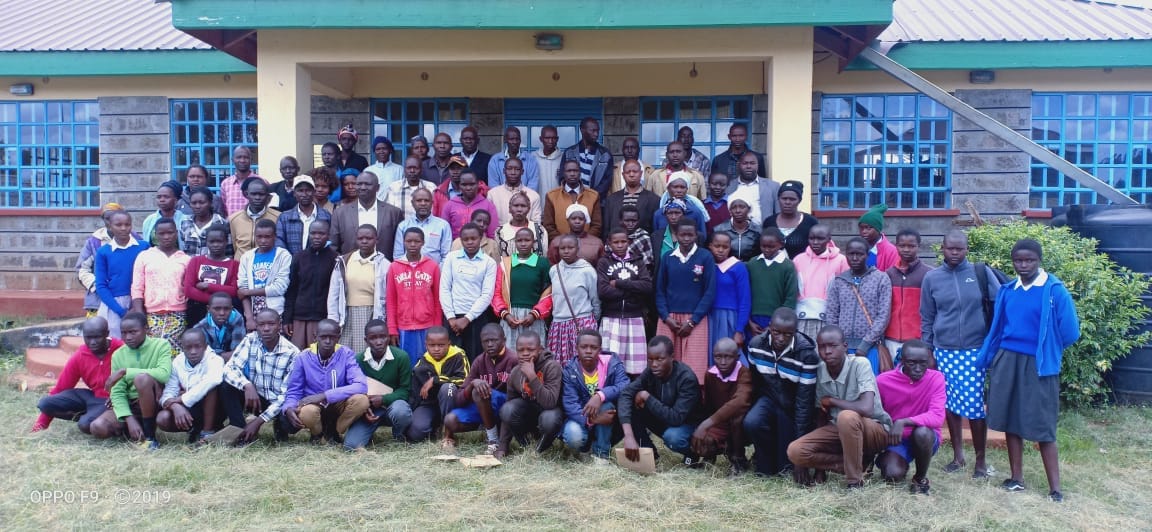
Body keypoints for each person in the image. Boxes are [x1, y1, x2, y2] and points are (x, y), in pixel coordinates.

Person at [976, 239, 1080, 502]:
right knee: (1010, 419)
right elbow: (999, 327)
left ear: (1039, 260)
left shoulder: (1054, 291)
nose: (1023, 265)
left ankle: (1055, 489)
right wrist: (991, 357)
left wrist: (1048, 349)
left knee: (1043, 424)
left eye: (1029, 260)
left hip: (1038, 364)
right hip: (1007, 360)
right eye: (1018, 260)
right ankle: (1016, 478)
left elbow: (1070, 332)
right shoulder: (1008, 290)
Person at [920, 230, 1000, 479]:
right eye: (950, 248)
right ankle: (958, 457)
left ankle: (981, 461)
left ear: (967, 249)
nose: (954, 253)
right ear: (942, 248)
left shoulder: (980, 273)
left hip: (975, 350)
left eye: (960, 249)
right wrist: (929, 350)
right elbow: (927, 317)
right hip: (944, 350)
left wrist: (994, 343)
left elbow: (1000, 305)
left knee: (975, 406)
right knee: (950, 404)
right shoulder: (932, 278)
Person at [787, 325, 893, 488]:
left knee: (846, 416)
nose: (827, 351)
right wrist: (819, 470)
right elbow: (822, 415)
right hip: (839, 429)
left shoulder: (860, 364)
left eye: (833, 346)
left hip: (874, 430)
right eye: (822, 347)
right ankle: (860, 464)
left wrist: (832, 401)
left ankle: (854, 482)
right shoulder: (820, 369)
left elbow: (867, 408)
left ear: (845, 346)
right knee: (795, 451)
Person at [744, 308, 819, 478]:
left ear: (795, 332)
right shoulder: (756, 345)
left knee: (784, 470)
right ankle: (763, 460)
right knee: (752, 422)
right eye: (776, 332)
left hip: (793, 406)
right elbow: (755, 383)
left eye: (787, 334)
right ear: (769, 327)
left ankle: (785, 461)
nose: (781, 338)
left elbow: (804, 402)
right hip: (768, 398)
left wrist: (799, 453)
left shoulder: (807, 356)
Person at [89, 312, 172, 449]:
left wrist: (125, 371)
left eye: (133, 332)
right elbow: (117, 391)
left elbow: (164, 374)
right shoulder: (118, 355)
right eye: (124, 333)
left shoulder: (161, 345)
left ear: (146, 329)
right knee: (97, 427)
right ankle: (133, 429)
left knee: (142, 379)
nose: (128, 337)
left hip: (153, 402)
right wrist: (129, 418)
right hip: (131, 405)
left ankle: (150, 436)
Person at [620, 336, 705, 466]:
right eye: (650, 359)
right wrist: (628, 435)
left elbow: (676, 418)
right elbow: (625, 394)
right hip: (665, 417)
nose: (654, 364)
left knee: (673, 437)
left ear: (672, 357)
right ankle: (649, 454)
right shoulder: (651, 372)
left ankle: (693, 452)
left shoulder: (686, 378)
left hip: (688, 424)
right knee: (631, 405)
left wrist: (646, 397)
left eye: (660, 359)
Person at [875, 340, 946, 494]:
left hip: (925, 437)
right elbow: (875, 413)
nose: (918, 368)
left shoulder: (936, 378)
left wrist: (904, 422)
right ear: (902, 360)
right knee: (892, 475)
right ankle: (891, 460)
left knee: (922, 432)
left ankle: (920, 478)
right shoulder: (883, 381)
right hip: (897, 438)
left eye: (923, 363)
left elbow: (937, 417)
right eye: (912, 363)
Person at [281, 320, 369, 444]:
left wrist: (325, 395)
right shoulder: (303, 357)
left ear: (338, 337)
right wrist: (288, 407)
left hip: (339, 403)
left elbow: (361, 385)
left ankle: (335, 431)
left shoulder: (346, 354)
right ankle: (317, 434)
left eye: (332, 337)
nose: (327, 341)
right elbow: (294, 390)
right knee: (307, 413)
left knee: (361, 400)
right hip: (314, 404)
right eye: (323, 337)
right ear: (315, 336)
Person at [221, 309, 301, 445]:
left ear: (279, 325)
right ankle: (239, 428)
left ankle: (278, 427)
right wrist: (247, 385)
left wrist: (258, 422)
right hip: (255, 398)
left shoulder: (292, 353)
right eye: (261, 325)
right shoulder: (250, 340)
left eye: (271, 324)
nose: (266, 329)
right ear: (256, 326)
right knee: (226, 386)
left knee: (289, 424)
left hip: (278, 402)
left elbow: (287, 395)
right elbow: (229, 368)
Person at [32, 317, 122, 436]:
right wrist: (41, 424)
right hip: (92, 396)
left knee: (85, 424)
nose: (92, 342)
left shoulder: (121, 349)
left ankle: (96, 419)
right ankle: (90, 415)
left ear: (107, 334)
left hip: (109, 401)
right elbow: (61, 388)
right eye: (88, 337)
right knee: (45, 404)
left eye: (97, 337)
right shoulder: (80, 356)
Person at [655, 219, 716, 380]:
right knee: (665, 363)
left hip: (696, 319)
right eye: (683, 235)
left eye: (690, 235)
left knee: (694, 367)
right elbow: (660, 290)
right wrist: (666, 317)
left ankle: (693, 395)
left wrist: (692, 321)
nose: (686, 238)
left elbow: (709, 292)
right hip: (669, 319)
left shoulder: (705, 257)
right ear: (676, 235)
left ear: (696, 236)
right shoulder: (668, 257)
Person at [443, 324, 517, 454]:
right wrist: (472, 384)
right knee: (450, 420)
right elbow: (459, 399)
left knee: (479, 391)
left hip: (506, 407)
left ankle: (493, 440)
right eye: (485, 341)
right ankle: (486, 428)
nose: (490, 344)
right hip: (484, 407)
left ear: (504, 340)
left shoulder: (513, 359)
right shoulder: (479, 361)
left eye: (494, 340)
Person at [825, 237, 892, 375]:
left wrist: (865, 344)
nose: (855, 258)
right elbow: (831, 314)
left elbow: (883, 315)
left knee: (869, 384)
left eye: (860, 254)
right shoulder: (839, 281)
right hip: (842, 348)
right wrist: (838, 344)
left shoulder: (881, 279)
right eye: (851, 254)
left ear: (867, 255)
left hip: (870, 347)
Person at [561, 330, 629, 462]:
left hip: (608, 420)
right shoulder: (570, 370)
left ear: (600, 350)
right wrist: (591, 420)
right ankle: (584, 449)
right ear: (576, 348)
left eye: (593, 347)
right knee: (573, 434)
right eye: (584, 347)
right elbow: (570, 404)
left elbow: (624, 385)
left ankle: (601, 455)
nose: (588, 351)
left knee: (606, 406)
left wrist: (601, 395)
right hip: (581, 418)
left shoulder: (612, 363)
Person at [344, 320, 413, 449]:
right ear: (366, 340)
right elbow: (353, 390)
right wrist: (364, 409)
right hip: (370, 410)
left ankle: (399, 434)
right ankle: (368, 432)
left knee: (401, 411)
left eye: (383, 337)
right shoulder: (358, 360)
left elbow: (405, 390)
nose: (379, 342)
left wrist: (384, 399)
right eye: (373, 338)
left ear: (388, 337)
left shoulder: (401, 357)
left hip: (393, 406)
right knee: (351, 446)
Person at [494, 330, 564, 458]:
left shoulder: (552, 367)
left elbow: (550, 403)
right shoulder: (515, 372)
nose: (525, 353)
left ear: (540, 349)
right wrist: (503, 446)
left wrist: (531, 375)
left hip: (550, 413)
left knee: (549, 418)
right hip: (529, 414)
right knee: (507, 410)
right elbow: (508, 409)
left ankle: (540, 450)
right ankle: (526, 446)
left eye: (530, 349)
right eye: (521, 350)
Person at [597, 227, 653, 376]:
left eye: (623, 241)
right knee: (610, 366)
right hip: (611, 318)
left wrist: (619, 283)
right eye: (616, 242)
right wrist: (633, 290)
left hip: (634, 317)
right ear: (609, 243)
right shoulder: (604, 262)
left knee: (636, 367)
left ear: (629, 242)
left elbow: (647, 287)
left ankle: (633, 390)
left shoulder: (638, 261)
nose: (620, 245)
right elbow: (603, 291)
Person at [692, 338, 753, 474]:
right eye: (718, 357)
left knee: (737, 419)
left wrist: (706, 424)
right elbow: (709, 406)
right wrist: (706, 429)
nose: (723, 362)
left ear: (737, 357)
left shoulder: (744, 373)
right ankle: (712, 455)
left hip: (740, 424)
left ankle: (738, 460)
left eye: (728, 357)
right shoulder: (710, 374)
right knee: (702, 441)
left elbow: (740, 401)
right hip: (720, 422)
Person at [130, 217, 190, 354]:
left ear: (176, 233)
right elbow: (137, 287)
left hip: (178, 314)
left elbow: (188, 287)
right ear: (155, 235)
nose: (166, 237)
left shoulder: (185, 259)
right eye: (162, 233)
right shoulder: (144, 256)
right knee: (152, 352)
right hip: (151, 314)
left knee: (173, 352)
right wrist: (140, 314)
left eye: (170, 233)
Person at [327, 224, 389, 354]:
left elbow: (388, 295)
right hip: (346, 315)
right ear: (356, 239)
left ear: (376, 240)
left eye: (369, 238)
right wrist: (333, 318)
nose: (364, 241)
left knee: (364, 353)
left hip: (371, 313)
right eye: (361, 238)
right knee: (343, 352)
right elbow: (334, 292)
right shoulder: (344, 261)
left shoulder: (384, 264)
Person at [440, 223, 497, 360]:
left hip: (476, 318)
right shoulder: (451, 258)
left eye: (473, 238)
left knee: (474, 358)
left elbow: (487, 295)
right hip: (453, 318)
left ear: (480, 238)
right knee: (452, 360)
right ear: (461, 240)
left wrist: (467, 318)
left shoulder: (488, 262)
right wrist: (451, 318)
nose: (470, 242)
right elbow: (444, 288)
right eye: (465, 239)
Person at [156, 328, 224, 445]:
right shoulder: (177, 362)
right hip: (192, 408)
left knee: (211, 387)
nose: (193, 351)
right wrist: (175, 406)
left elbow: (213, 380)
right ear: (182, 348)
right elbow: (169, 392)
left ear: (205, 346)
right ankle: (195, 429)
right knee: (163, 418)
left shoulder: (215, 360)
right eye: (188, 347)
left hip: (216, 409)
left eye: (198, 346)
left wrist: (181, 399)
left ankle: (207, 432)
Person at [386, 227, 442, 364]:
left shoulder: (432, 266)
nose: (412, 244)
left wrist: (437, 327)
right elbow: (391, 300)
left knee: (428, 364)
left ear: (423, 242)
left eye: (417, 241)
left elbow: (437, 300)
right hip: (403, 327)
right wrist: (392, 328)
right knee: (407, 364)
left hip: (427, 326)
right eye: (409, 241)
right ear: (403, 242)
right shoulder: (394, 267)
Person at [492, 227, 551, 353]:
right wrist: (505, 315)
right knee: (510, 355)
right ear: (515, 242)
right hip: (510, 317)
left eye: (527, 240)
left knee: (534, 354)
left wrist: (534, 314)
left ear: (533, 242)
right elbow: (497, 293)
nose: (523, 243)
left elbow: (548, 293)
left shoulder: (543, 263)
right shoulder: (505, 264)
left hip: (533, 318)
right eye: (519, 240)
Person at [407, 327, 470, 443]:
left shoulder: (458, 355)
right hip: (430, 405)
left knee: (448, 388)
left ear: (449, 344)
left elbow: (465, 381)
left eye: (441, 345)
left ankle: (448, 434)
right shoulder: (421, 363)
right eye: (432, 345)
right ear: (426, 345)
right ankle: (436, 426)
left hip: (453, 402)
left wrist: (436, 380)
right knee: (416, 433)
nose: (436, 349)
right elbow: (415, 394)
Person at [547, 234, 600, 368]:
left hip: (581, 323)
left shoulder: (587, 271)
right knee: (559, 367)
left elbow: (595, 300)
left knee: (582, 365)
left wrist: (593, 322)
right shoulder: (554, 270)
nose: (566, 251)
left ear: (578, 248)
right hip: (559, 325)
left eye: (570, 248)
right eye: (562, 248)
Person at [95, 210, 149, 339]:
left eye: (127, 224)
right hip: (114, 304)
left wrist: (137, 305)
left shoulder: (143, 247)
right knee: (116, 341)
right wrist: (121, 311)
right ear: (110, 226)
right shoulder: (103, 252)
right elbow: (101, 285)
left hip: (140, 300)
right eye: (118, 225)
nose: (123, 228)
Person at [284, 220, 338, 349]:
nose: (317, 237)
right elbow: (291, 290)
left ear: (328, 235)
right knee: (298, 353)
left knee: (319, 353)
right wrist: (287, 319)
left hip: (322, 317)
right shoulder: (299, 257)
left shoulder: (335, 258)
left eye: (321, 233)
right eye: (313, 233)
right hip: (299, 317)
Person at [77, 203, 137, 317]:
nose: (110, 222)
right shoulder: (94, 242)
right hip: (99, 298)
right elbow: (82, 269)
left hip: (129, 295)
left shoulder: (136, 241)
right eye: (107, 219)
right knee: (99, 326)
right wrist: (99, 286)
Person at [329, 170, 404, 259]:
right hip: (350, 266)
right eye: (359, 184)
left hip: (384, 266)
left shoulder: (394, 213)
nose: (363, 187)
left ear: (377, 188)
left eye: (367, 184)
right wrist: (343, 263)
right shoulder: (340, 213)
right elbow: (333, 246)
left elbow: (400, 246)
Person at [793, 224, 848, 340]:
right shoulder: (799, 259)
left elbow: (845, 292)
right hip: (801, 318)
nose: (815, 242)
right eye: (811, 238)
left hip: (829, 318)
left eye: (820, 238)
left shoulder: (841, 260)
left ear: (829, 239)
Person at [884, 228, 932, 359]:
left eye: (911, 246)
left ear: (918, 246)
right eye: (902, 246)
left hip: (918, 341)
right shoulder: (888, 275)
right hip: (890, 340)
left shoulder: (928, 275)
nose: (906, 249)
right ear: (896, 246)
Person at [745, 229, 799, 342]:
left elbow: (790, 297)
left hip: (777, 320)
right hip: (753, 318)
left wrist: (775, 324)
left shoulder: (787, 266)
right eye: (763, 246)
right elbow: (744, 293)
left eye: (771, 246)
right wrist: (749, 321)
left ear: (781, 245)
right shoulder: (752, 263)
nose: (767, 249)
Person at [238, 219, 292, 329]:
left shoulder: (283, 255)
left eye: (267, 237)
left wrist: (248, 292)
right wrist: (249, 318)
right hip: (253, 309)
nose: (263, 241)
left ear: (275, 236)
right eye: (259, 237)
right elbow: (242, 289)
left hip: (276, 309)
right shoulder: (247, 257)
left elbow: (280, 287)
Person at [182, 224, 239, 327]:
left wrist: (208, 286)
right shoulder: (196, 261)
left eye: (219, 241)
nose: (215, 245)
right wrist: (217, 302)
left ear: (226, 241)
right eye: (212, 242)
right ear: (206, 242)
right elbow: (188, 289)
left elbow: (233, 290)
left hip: (223, 312)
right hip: (197, 310)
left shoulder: (234, 265)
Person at [708, 231, 751, 363]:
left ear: (730, 248)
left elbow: (745, 300)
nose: (721, 250)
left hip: (729, 319)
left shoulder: (737, 267)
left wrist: (739, 330)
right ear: (710, 246)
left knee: (730, 356)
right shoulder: (706, 265)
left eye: (725, 247)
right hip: (708, 317)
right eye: (717, 246)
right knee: (711, 356)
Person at [543, 160, 602, 240]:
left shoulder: (593, 196)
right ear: (563, 173)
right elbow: (548, 225)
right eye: (569, 171)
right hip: (561, 245)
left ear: (580, 173)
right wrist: (563, 242)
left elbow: (597, 225)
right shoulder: (552, 196)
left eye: (575, 171)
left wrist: (585, 241)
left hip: (586, 244)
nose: (572, 174)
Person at [392, 187, 453, 264]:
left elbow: (446, 256)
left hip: (435, 270)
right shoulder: (403, 226)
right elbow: (398, 256)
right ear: (412, 203)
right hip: (408, 270)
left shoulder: (443, 225)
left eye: (426, 200)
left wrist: (437, 270)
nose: (423, 203)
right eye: (419, 200)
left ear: (432, 203)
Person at [275, 175, 332, 256]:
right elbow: (279, 240)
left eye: (308, 190)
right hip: (291, 262)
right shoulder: (284, 217)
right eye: (300, 191)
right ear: (294, 193)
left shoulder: (326, 216)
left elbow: (330, 241)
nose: (304, 194)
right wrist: (288, 259)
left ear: (314, 192)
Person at [762, 180, 818, 258]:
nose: (787, 202)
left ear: (799, 200)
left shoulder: (810, 222)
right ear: (778, 199)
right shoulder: (769, 222)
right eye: (784, 198)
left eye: (792, 199)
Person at [603, 159, 660, 236]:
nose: (631, 174)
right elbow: (606, 228)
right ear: (623, 175)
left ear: (641, 173)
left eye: (635, 171)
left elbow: (655, 229)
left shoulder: (653, 199)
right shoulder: (612, 199)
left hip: (642, 242)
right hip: (617, 242)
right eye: (628, 172)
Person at [561, 117, 614, 200]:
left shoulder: (605, 154)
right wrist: (574, 195)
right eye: (593, 131)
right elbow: (562, 177)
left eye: (597, 131)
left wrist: (590, 197)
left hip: (597, 201)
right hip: (572, 200)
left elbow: (607, 181)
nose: (596, 134)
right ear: (582, 130)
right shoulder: (569, 152)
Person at [228, 177, 280, 260]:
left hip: (267, 264)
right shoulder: (233, 219)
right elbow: (233, 246)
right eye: (253, 194)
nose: (257, 197)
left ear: (267, 196)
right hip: (240, 264)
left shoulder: (278, 217)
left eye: (261, 194)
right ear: (246, 194)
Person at [726, 151, 779, 225]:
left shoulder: (773, 186)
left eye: (752, 163)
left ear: (758, 165)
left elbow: (779, 214)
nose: (748, 166)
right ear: (738, 165)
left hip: (764, 230)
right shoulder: (728, 186)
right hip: (736, 230)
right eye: (745, 163)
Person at [487, 157, 542, 226]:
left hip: (525, 233)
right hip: (499, 232)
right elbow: (489, 222)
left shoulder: (534, 196)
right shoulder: (492, 194)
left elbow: (536, 224)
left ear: (522, 172)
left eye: (517, 169)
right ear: (504, 171)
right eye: (509, 169)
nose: (513, 172)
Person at [193, 292, 246, 361]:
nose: (222, 313)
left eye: (226, 309)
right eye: (217, 309)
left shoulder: (237, 319)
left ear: (231, 309)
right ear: (208, 309)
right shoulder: (200, 327)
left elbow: (239, 350)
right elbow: (204, 353)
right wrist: (222, 356)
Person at [652, 173, 708, 238]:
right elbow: (656, 237)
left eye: (682, 187)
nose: (679, 191)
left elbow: (702, 237)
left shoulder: (695, 212)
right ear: (668, 188)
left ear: (687, 189)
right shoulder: (659, 214)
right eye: (675, 187)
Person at [179, 187, 230, 257]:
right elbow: (181, 251)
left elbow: (229, 253)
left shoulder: (222, 223)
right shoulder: (185, 223)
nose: (197, 206)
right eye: (194, 203)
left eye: (202, 203)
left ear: (210, 203)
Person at [382, 155, 437, 219]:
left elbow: (435, 212)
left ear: (421, 170)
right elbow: (389, 213)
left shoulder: (431, 187)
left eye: (415, 168)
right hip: (401, 225)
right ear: (404, 169)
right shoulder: (394, 187)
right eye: (409, 168)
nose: (412, 171)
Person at [495, 192, 548, 258]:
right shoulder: (500, 232)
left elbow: (544, 255)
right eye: (516, 206)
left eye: (523, 206)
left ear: (529, 209)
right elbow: (498, 258)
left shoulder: (539, 230)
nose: (519, 209)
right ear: (509, 209)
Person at [217, 145, 262, 217]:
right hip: (232, 224)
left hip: (255, 223)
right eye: (239, 157)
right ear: (232, 160)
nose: (242, 160)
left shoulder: (261, 182)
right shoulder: (225, 184)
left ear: (251, 160)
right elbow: (224, 210)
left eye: (246, 157)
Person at [858, 203, 899, 272]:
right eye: (861, 228)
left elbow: (893, 275)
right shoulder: (858, 247)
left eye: (868, 228)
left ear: (878, 229)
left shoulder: (891, 251)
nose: (864, 231)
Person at [618, 205, 655, 276]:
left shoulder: (644, 238)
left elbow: (648, 265)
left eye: (634, 221)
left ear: (638, 221)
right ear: (620, 221)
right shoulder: (615, 237)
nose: (630, 224)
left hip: (638, 277)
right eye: (627, 221)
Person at [533, 125, 564, 197]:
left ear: (557, 139)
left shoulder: (563, 158)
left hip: (558, 200)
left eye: (553, 138)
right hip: (538, 200)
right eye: (547, 138)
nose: (550, 141)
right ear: (541, 139)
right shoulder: (533, 157)